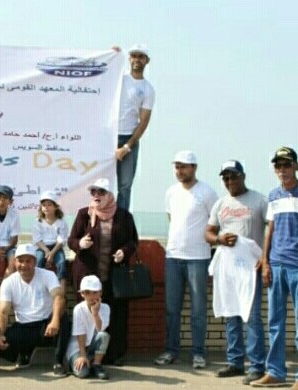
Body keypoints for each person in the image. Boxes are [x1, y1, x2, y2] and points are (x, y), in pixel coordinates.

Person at [251, 147, 298, 390]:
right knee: (275, 322)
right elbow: (270, 229)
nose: (282, 170)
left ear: (296, 166)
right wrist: (266, 261)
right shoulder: (273, 195)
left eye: (287, 165)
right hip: (277, 265)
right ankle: (276, 371)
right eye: (278, 166)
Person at [204, 160, 268, 384]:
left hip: (251, 268)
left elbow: (272, 229)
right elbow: (209, 233)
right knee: (231, 314)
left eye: (234, 176)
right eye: (226, 178)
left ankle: (258, 365)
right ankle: (235, 362)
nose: (230, 181)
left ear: (243, 176)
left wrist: (266, 259)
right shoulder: (221, 204)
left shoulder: (259, 200)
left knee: (251, 317)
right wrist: (219, 239)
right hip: (229, 268)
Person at [155, 151, 219, 369]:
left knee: (198, 310)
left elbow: (216, 223)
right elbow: (172, 219)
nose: (179, 171)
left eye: (184, 167)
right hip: (173, 257)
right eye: (177, 167)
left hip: (198, 259)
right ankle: (171, 350)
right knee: (172, 309)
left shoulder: (207, 192)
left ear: (194, 168)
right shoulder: (171, 192)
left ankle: (198, 353)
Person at [67, 178, 138, 366]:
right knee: (87, 314)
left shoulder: (124, 216)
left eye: (101, 192)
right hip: (89, 277)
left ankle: (112, 355)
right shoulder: (84, 214)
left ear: (109, 195)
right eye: (94, 192)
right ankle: (83, 354)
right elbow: (72, 240)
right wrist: (80, 244)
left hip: (114, 277)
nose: (97, 196)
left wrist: (124, 252)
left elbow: (133, 242)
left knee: (116, 315)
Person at [0, 244, 70, 376]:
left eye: (28, 261)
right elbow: (3, 312)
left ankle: (58, 362)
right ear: (15, 262)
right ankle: (25, 354)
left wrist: (54, 320)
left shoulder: (48, 275)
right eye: (20, 261)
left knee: (62, 316)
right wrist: (0, 336)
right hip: (24, 327)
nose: (24, 265)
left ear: (35, 262)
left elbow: (59, 298)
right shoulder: (8, 282)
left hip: (46, 327)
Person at [114, 44, 156, 210]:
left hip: (128, 140)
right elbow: (102, 75)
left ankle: (121, 224)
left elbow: (144, 121)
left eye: (141, 56)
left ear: (146, 61)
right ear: (129, 58)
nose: (137, 60)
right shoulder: (119, 78)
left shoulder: (148, 89)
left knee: (124, 186)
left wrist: (127, 146)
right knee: (102, 182)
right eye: (134, 56)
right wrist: (112, 56)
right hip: (109, 136)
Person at [66, 275, 112, 380]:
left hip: (92, 345)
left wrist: (95, 313)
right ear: (82, 294)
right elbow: (80, 333)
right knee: (83, 373)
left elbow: (100, 329)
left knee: (104, 335)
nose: (92, 296)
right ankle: (82, 362)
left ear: (100, 292)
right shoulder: (78, 309)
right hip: (78, 347)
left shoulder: (105, 308)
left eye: (95, 292)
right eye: (87, 293)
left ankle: (96, 364)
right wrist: (82, 355)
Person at [33, 191, 69, 293]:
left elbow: (61, 240)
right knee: (38, 260)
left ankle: (61, 295)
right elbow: (37, 240)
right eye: (44, 205)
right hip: (42, 247)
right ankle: (36, 290)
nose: (46, 207)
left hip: (56, 247)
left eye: (49, 205)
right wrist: (46, 251)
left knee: (61, 262)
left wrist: (52, 253)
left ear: (55, 207)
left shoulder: (61, 222)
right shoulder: (38, 222)